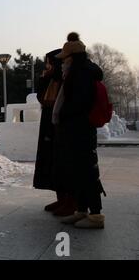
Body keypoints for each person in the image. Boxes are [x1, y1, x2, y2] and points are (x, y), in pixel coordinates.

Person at [53, 33, 106, 229]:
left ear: (72, 58)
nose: (62, 63)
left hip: (81, 130)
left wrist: (65, 115)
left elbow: (79, 104)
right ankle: (82, 210)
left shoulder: (82, 74)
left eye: (65, 59)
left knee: (88, 173)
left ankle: (96, 216)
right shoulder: (76, 72)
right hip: (75, 130)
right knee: (78, 172)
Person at [34, 49, 75, 215]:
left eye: (50, 63)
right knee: (51, 161)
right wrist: (43, 79)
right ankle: (61, 199)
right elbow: (42, 98)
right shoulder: (51, 79)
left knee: (61, 163)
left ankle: (70, 201)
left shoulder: (65, 80)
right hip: (49, 125)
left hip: (60, 127)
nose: (47, 66)